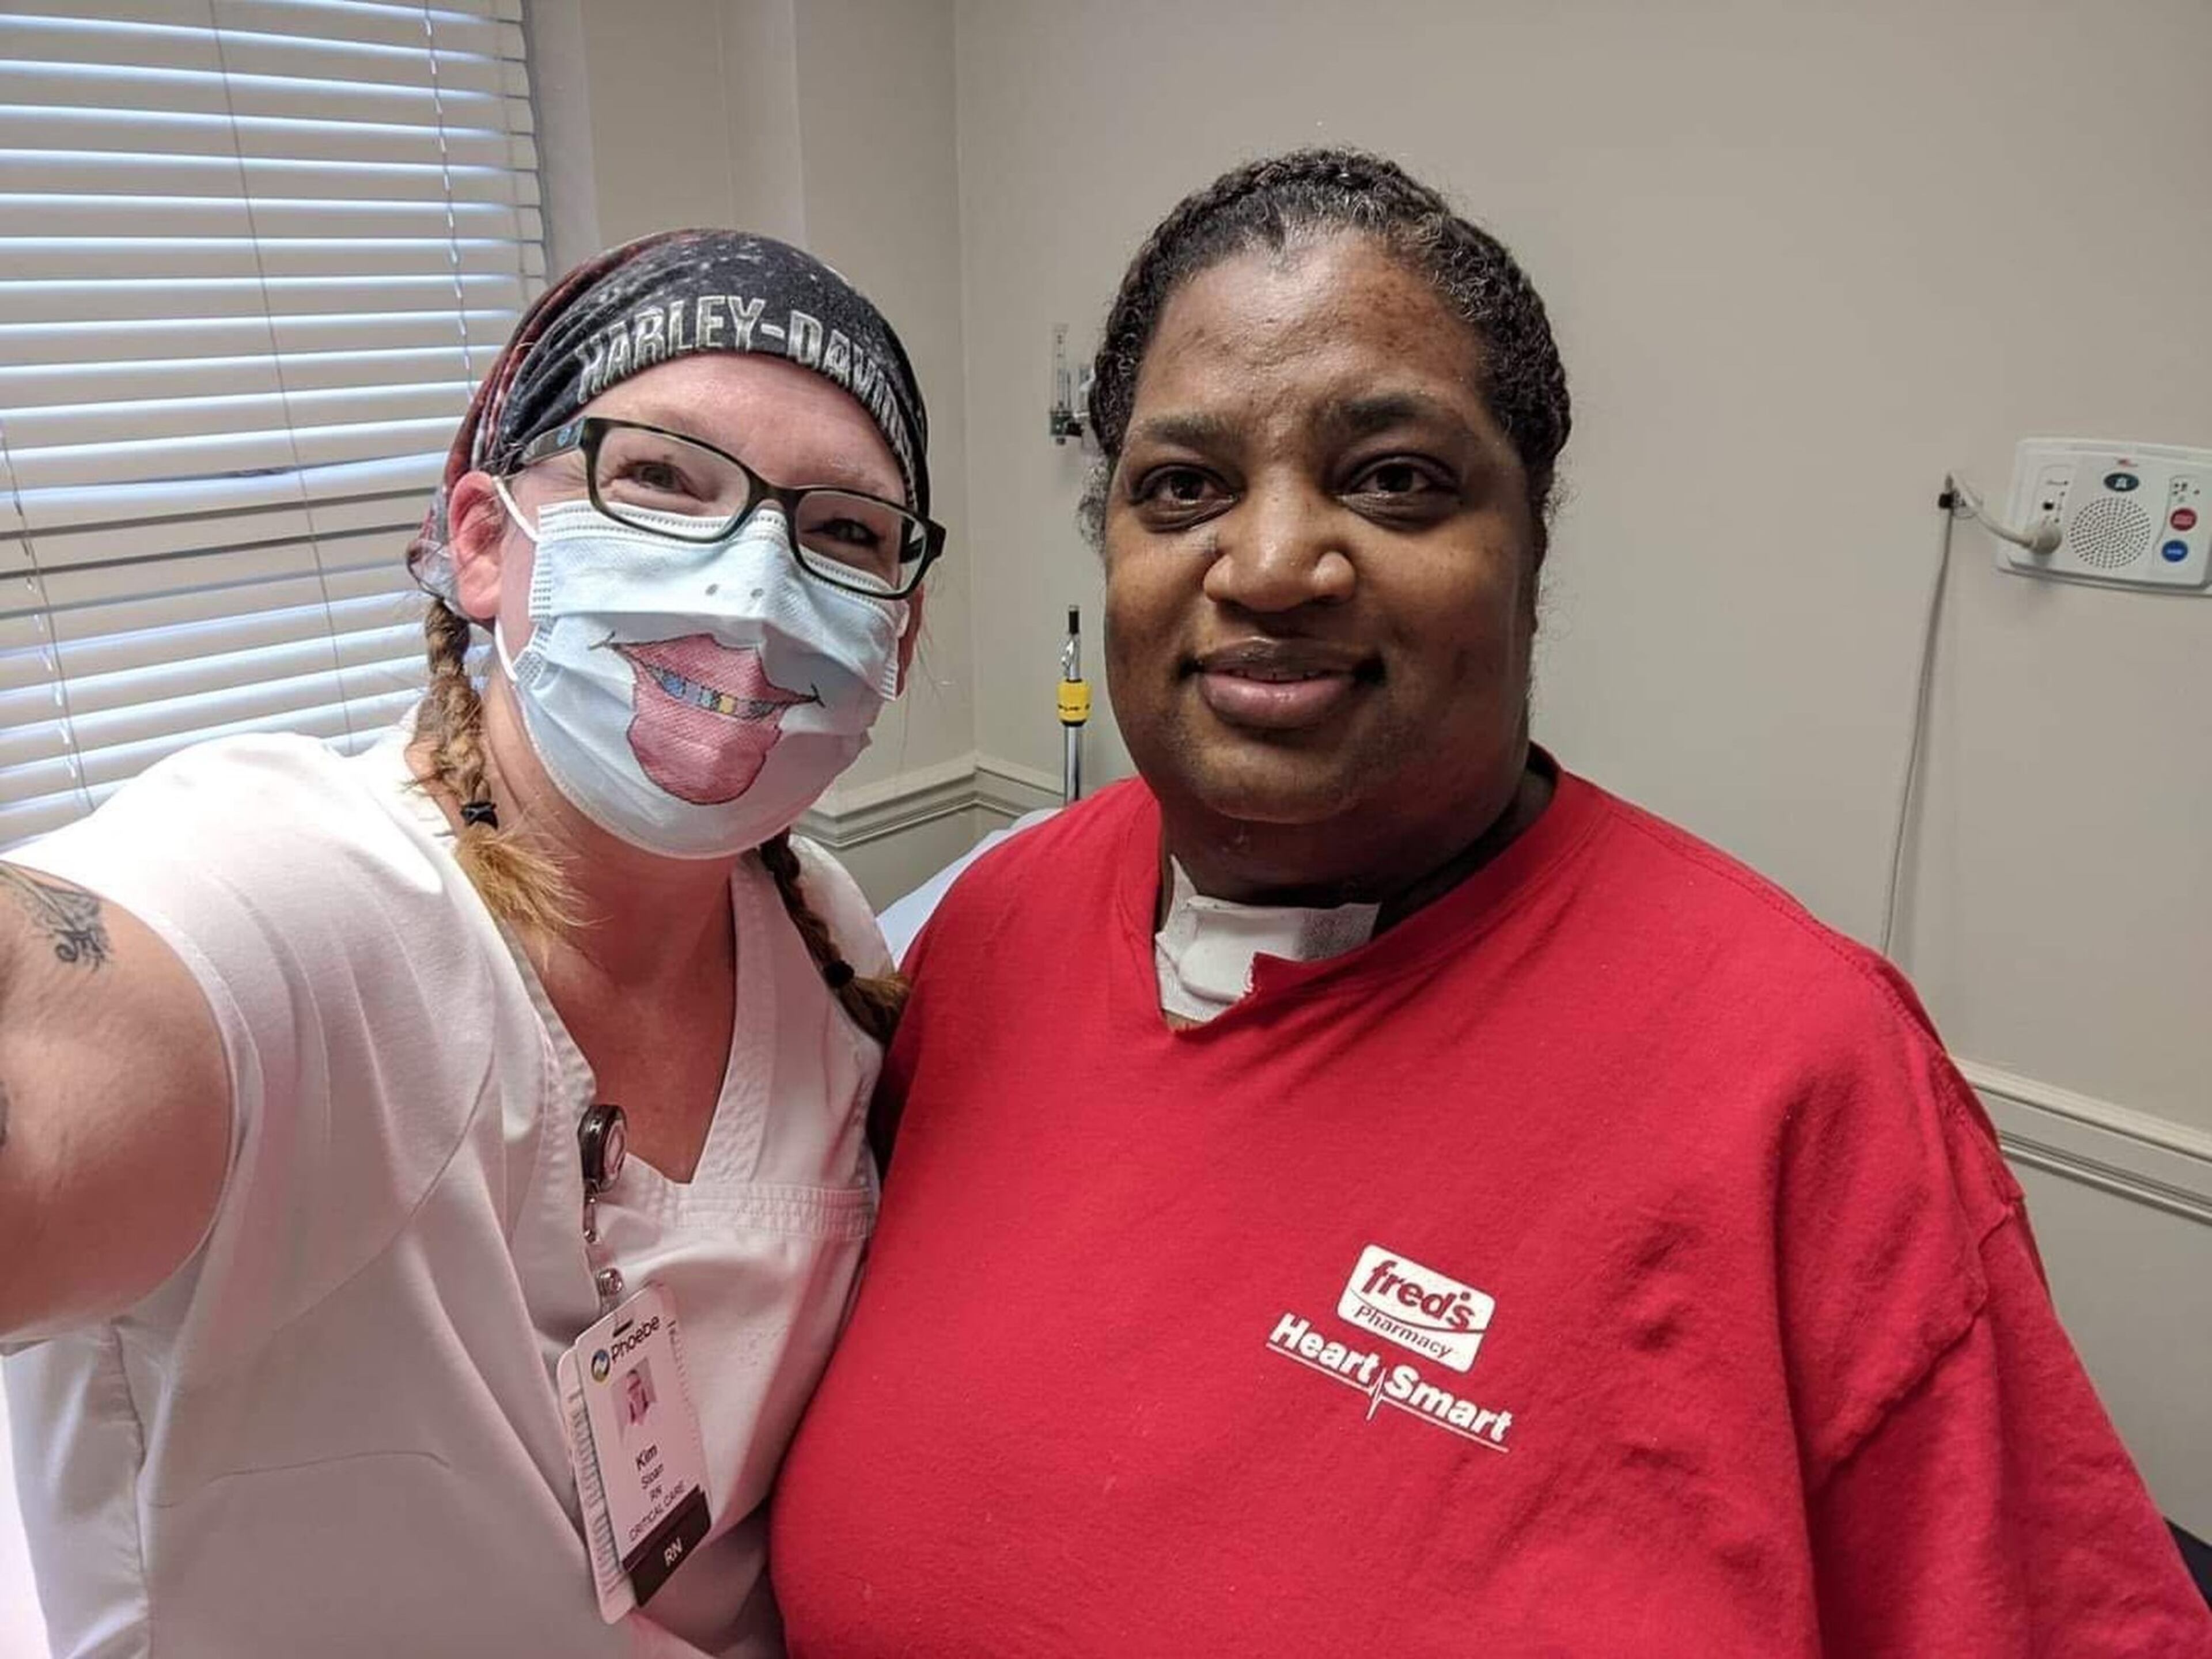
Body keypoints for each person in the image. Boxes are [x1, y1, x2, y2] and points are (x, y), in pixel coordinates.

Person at [767, 151, 2212, 1656]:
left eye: (1395, 479)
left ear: (1532, 550)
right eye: (1182, 487)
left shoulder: (1798, 1075)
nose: (1268, 565)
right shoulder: (999, 920)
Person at [0, 229, 942, 1657]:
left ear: (902, 637)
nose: (753, 585)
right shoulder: (310, 895)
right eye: (664, 480)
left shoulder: (822, 924)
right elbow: (69, 1020)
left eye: (843, 534)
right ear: (487, 545)